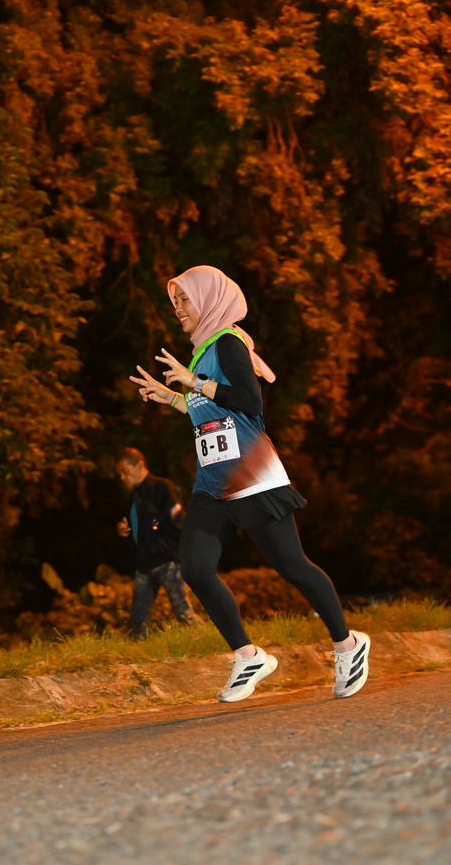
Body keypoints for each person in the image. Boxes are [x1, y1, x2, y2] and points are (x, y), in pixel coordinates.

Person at [129, 265, 370, 702]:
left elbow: (248, 400)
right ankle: (248, 655)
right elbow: (210, 409)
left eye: (184, 299)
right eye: (174, 301)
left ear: (208, 299)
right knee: (196, 568)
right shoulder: (202, 350)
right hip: (212, 480)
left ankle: (348, 645)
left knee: (292, 566)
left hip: (252, 475)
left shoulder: (228, 342)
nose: (178, 308)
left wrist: (195, 382)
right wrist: (175, 399)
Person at [115, 447, 197, 639]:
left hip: (166, 561)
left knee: (183, 612)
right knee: (137, 618)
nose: (122, 477)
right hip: (145, 563)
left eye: (125, 471)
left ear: (139, 466)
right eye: (120, 474)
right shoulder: (135, 496)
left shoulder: (161, 487)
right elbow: (139, 527)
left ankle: (204, 640)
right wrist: (123, 529)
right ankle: (137, 646)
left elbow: (178, 520)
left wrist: (173, 551)